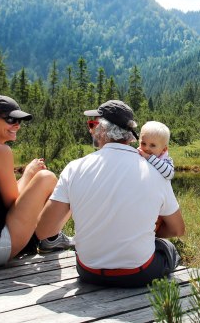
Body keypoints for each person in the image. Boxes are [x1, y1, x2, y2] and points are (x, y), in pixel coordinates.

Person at [35, 100, 185, 288]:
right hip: (138, 274)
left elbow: (44, 231)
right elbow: (177, 229)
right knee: (168, 249)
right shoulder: (155, 171)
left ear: (103, 131)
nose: (91, 131)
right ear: (130, 136)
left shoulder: (74, 168)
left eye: (93, 125)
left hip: (88, 272)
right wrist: (148, 232)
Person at [0, 95, 75, 268]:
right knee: (46, 178)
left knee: (38, 180)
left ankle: (49, 238)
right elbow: (12, 201)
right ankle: (51, 238)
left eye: (19, 121)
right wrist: (29, 173)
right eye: (10, 120)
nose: (16, 125)